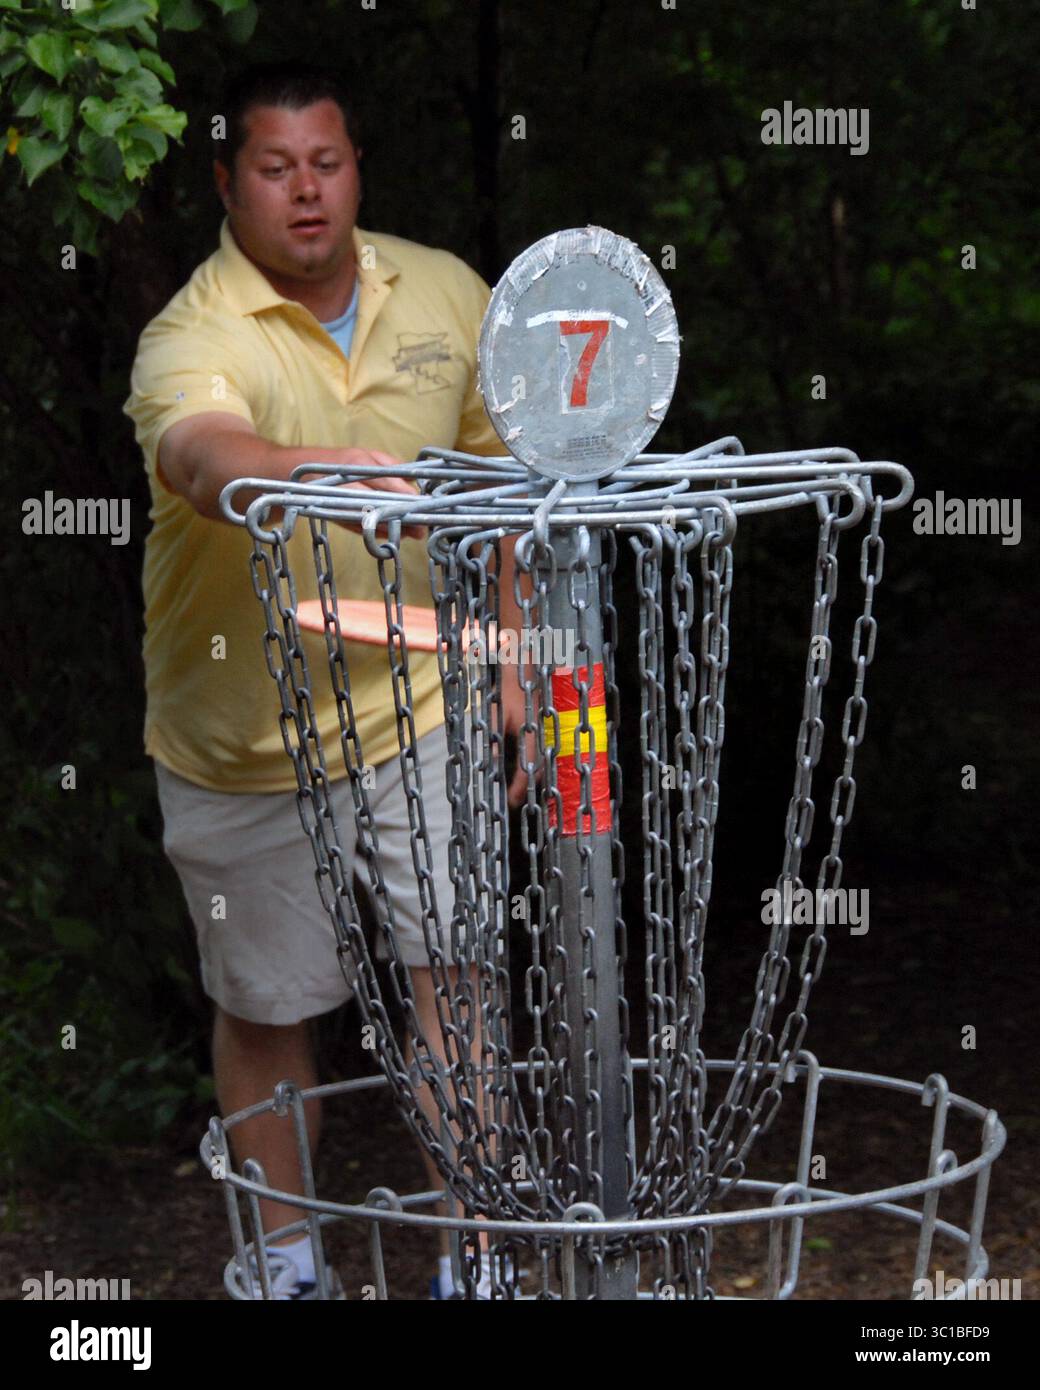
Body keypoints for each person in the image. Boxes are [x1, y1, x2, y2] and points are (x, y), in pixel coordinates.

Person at [123, 60, 526, 1299]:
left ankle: (475, 1255)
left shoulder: (449, 292)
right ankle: (285, 1258)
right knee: (264, 1003)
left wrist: (514, 663)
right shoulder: (190, 331)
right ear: (227, 182)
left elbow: (501, 489)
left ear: (356, 169)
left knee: (453, 975)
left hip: (422, 707)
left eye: (327, 162)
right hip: (238, 737)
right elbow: (204, 455)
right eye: (274, 167)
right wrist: (307, 471)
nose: (306, 191)